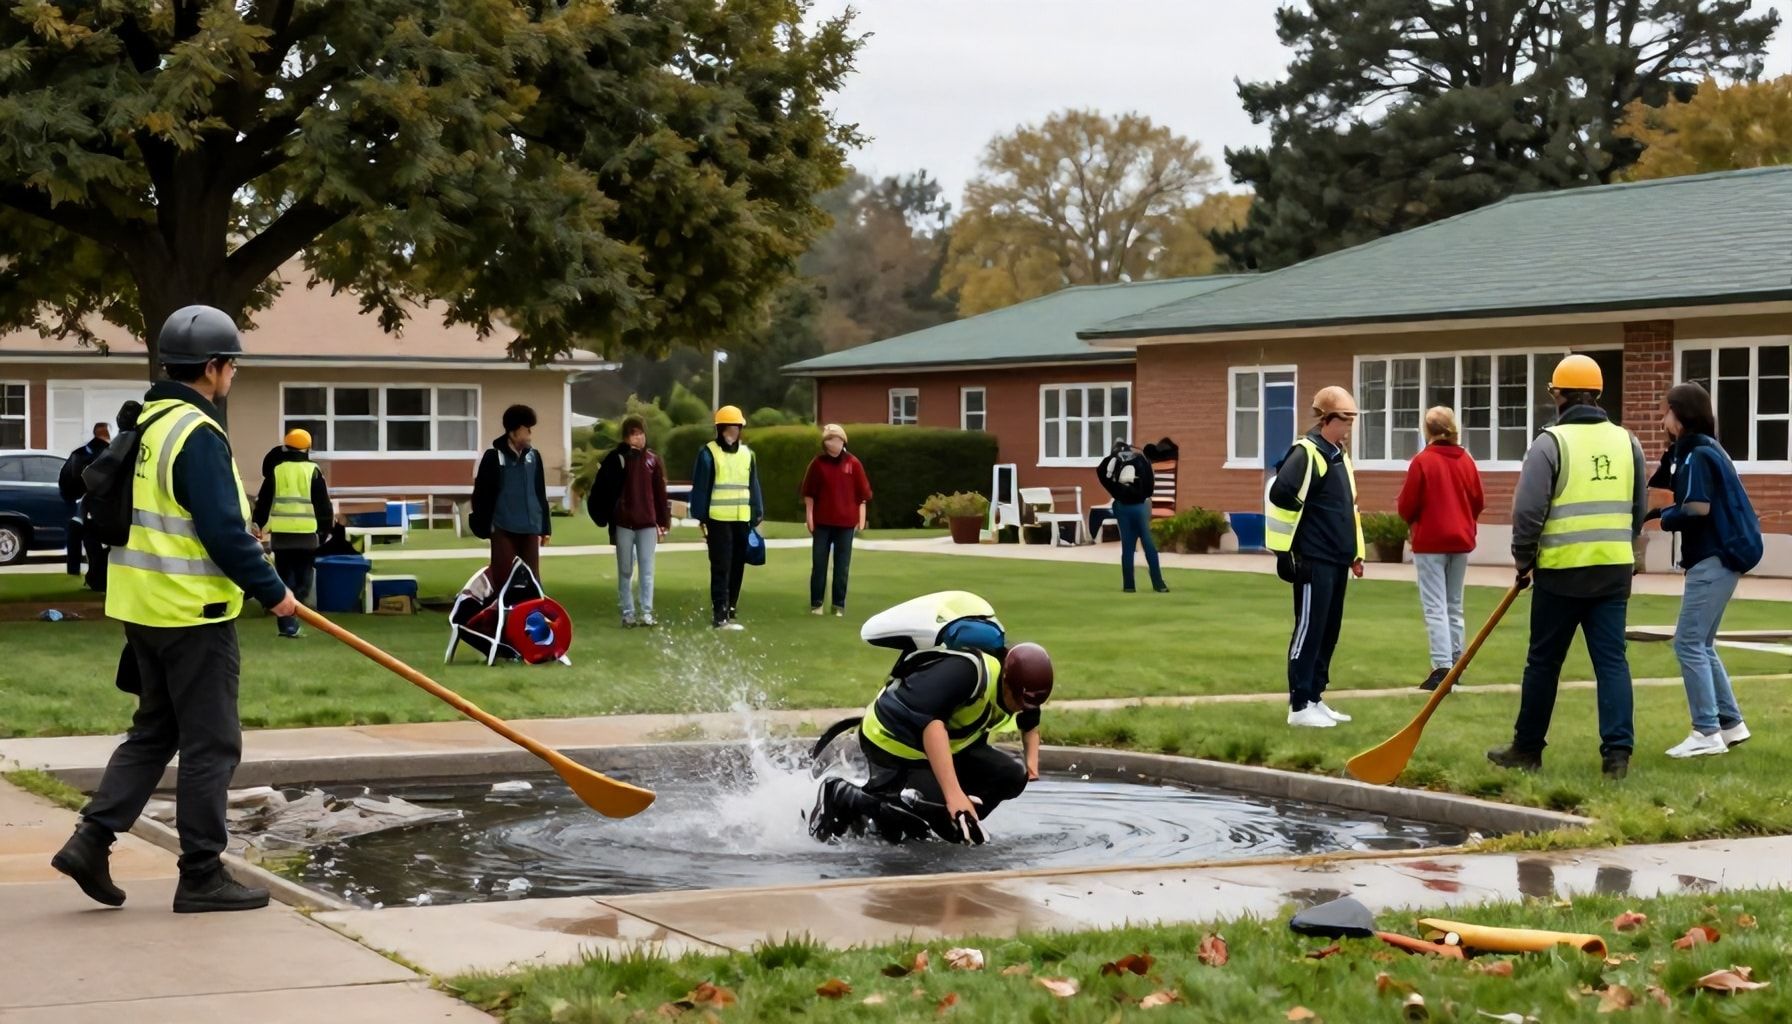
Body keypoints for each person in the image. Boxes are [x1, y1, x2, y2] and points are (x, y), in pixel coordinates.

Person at [51, 305, 297, 914]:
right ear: (212, 366)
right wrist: (275, 592)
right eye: (232, 364)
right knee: (212, 743)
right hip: (193, 613)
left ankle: (90, 841)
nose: (233, 373)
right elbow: (223, 531)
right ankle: (202, 873)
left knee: (156, 730)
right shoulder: (197, 433)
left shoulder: (149, 421)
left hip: (142, 609)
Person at [1487, 355, 1646, 781]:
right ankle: (1617, 755)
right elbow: (1638, 508)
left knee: (1543, 663)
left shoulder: (1549, 443)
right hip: (1613, 570)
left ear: (1558, 395)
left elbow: (1528, 511)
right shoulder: (1628, 442)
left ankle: (1527, 749)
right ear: (1598, 394)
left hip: (1561, 573)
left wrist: (1524, 558)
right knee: (1612, 663)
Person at [808, 636, 1054, 845]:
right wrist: (954, 795)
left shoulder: (1024, 691)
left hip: (944, 749)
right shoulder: (967, 673)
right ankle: (842, 794)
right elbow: (931, 726)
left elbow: (1030, 724)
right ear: (1005, 678)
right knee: (915, 817)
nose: (1022, 707)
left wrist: (1031, 766)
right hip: (894, 742)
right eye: (1018, 700)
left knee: (1011, 776)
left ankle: (953, 822)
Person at [1651, 382, 1762, 759]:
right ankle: (1731, 724)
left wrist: (1663, 517)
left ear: (1681, 415)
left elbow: (1697, 508)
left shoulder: (1697, 454)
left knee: (1687, 643)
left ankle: (1706, 731)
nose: (1662, 420)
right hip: (1723, 556)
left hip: (1712, 557)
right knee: (1703, 644)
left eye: (1666, 412)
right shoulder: (1708, 449)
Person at [1266, 386, 1366, 729]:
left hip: (1337, 558)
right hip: (1313, 558)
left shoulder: (1339, 455)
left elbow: (1348, 509)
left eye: (1351, 421)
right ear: (1326, 419)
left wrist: (1355, 554)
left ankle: (1314, 697)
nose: (1348, 427)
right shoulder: (1306, 452)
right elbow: (1280, 494)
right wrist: (1286, 551)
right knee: (1309, 631)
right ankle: (1298, 705)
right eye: (1344, 420)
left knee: (1328, 631)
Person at [1396, 407, 1485, 691]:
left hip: (1430, 541)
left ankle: (1442, 666)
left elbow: (1406, 505)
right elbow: (1478, 501)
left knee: (1435, 606)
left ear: (1427, 430)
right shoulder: (1467, 460)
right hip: (1460, 539)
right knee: (1454, 604)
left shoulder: (1423, 461)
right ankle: (1457, 662)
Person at [588, 415, 671, 627]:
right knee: (625, 570)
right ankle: (628, 612)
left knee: (647, 570)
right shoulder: (616, 460)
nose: (638, 438)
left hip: (647, 524)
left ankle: (646, 612)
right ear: (626, 437)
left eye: (641, 433)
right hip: (623, 523)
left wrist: (663, 521)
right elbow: (603, 488)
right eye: (633, 434)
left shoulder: (652, 461)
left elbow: (660, 494)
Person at [252, 429, 333, 638]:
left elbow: (264, 500)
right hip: (307, 537)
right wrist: (324, 531)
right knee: (302, 582)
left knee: (285, 579)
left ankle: (287, 624)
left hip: (282, 536)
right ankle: (293, 617)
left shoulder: (277, 470)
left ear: (286, 447)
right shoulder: (313, 471)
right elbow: (323, 504)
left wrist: (257, 523)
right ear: (308, 448)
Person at [689, 405, 763, 630]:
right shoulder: (708, 453)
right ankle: (719, 614)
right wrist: (701, 516)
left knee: (738, 564)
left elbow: (753, 484)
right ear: (720, 429)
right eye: (729, 427)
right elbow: (701, 487)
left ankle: (731, 608)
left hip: (741, 518)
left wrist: (757, 511)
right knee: (721, 566)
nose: (733, 431)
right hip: (717, 519)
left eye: (736, 427)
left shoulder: (747, 454)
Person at [471, 404, 552, 585]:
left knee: (532, 581)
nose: (530, 433)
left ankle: (531, 606)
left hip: (530, 528)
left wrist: (545, 527)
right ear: (513, 431)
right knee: (504, 581)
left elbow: (540, 493)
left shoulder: (534, 457)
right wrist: (485, 524)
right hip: (503, 527)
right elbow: (481, 494)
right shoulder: (493, 457)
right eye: (526, 428)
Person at [801, 423, 872, 616]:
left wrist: (861, 518)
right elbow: (809, 494)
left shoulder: (853, 464)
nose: (834, 443)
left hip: (845, 524)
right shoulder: (817, 464)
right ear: (825, 443)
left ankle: (838, 605)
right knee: (819, 565)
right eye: (830, 439)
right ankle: (816, 603)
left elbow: (863, 495)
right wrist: (809, 517)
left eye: (838, 439)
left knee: (842, 567)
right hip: (822, 523)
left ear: (843, 441)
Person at [1096, 440, 1168, 593]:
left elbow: (1101, 472)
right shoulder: (1141, 460)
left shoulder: (1114, 463)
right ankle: (1159, 584)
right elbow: (1150, 487)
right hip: (1140, 507)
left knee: (1128, 548)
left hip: (1121, 507)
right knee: (1148, 545)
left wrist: (1111, 457)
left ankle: (1129, 585)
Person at [59, 422, 112, 590]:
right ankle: (98, 579)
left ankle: (76, 571)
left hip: (78, 506)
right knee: (97, 544)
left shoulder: (79, 453)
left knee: (81, 536)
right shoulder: (109, 453)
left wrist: (71, 499)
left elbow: (64, 479)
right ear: (108, 434)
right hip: (99, 506)